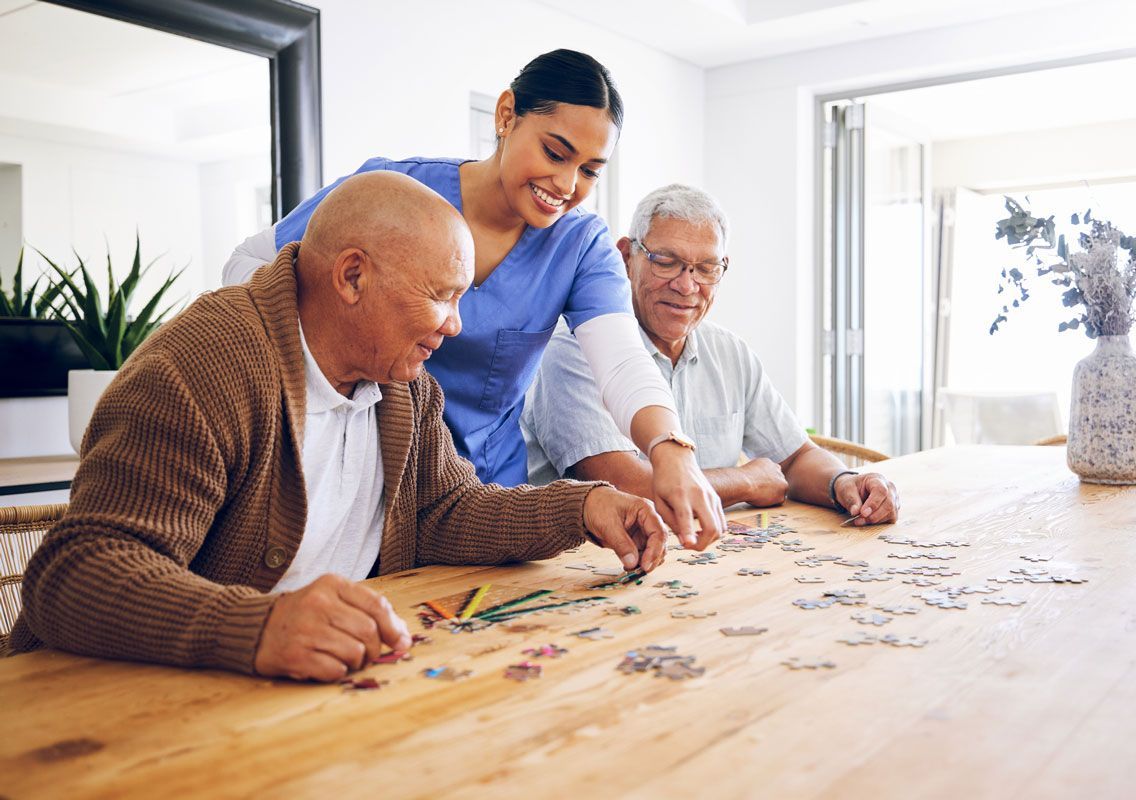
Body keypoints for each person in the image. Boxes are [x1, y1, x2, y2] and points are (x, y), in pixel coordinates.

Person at [8, 172, 672, 682]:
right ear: (352, 276)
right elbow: (76, 573)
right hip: (106, 703)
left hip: (282, 696)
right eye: (441, 295)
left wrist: (579, 506)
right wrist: (255, 626)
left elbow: (443, 512)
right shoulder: (203, 365)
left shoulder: (403, 388)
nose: (456, 324)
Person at [223, 49, 722, 546]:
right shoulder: (398, 192)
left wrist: (670, 448)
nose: (567, 185)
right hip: (369, 473)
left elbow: (622, 363)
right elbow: (247, 264)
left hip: (480, 494)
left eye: (590, 170)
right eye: (555, 153)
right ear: (506, 115)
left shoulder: (579, 244)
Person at [522, 184, 901, 525]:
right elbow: (629, 490)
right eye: (666, 261)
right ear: (626, 257)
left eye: (706, 268)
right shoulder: (572, 351)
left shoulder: (730, 352)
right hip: (591, 573)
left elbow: (796, 457)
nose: (687, 286)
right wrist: (746, 480)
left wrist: (845, 483)